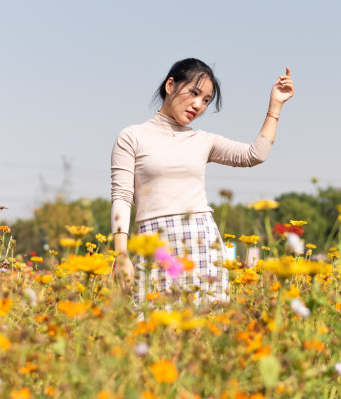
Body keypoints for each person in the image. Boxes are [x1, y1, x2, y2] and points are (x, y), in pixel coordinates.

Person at [110, 58, 294, 305]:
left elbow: (254, 154)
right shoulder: (132, 137)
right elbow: (121, 198)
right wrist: (121, 254)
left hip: (200, 241)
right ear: (170, 85)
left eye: (206, 100)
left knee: (204, 331)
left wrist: (276, 105)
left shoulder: (203, 141)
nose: (198, 105)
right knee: (151, 330)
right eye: (194, 93)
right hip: (152, 244)